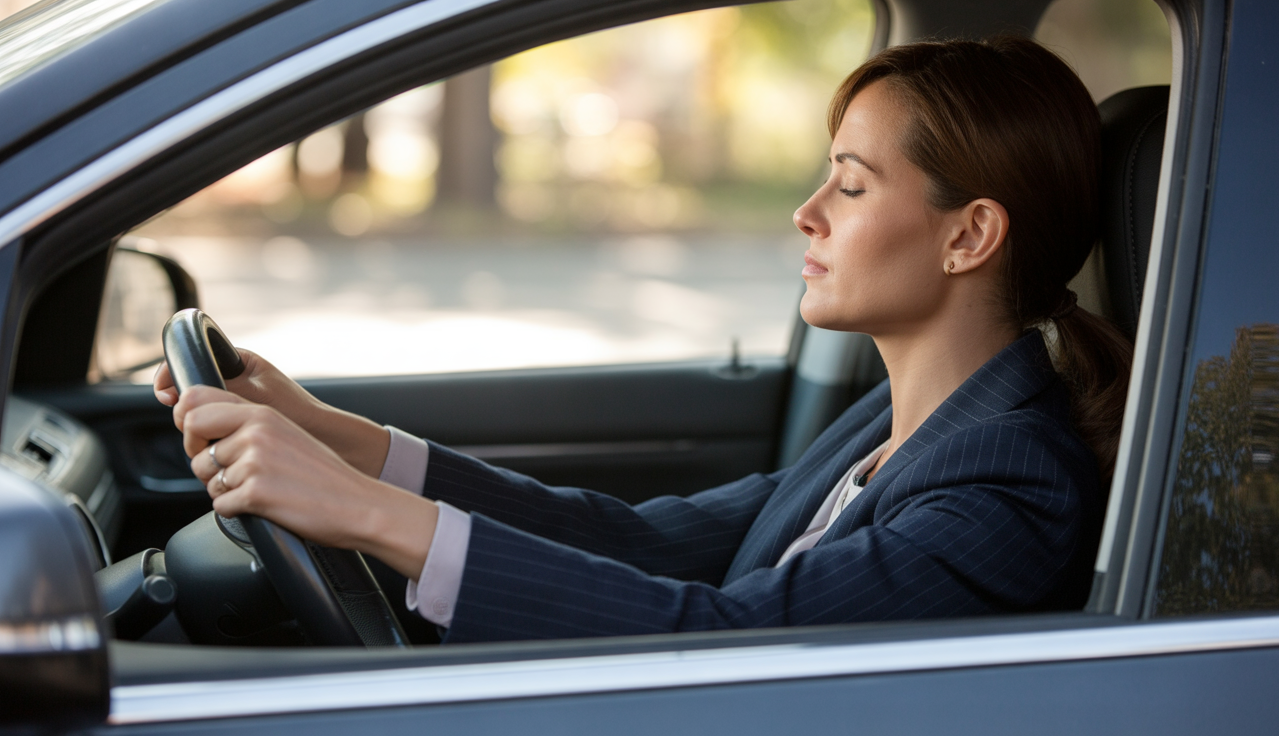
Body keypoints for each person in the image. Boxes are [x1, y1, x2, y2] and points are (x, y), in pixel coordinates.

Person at [155, 37, 1134, 643]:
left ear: (968, 235)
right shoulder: (898, 422)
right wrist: (335, 436)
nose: (805, 212)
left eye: (848, 184)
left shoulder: (1009, 486)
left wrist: (367, 516)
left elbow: (734, 643)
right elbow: (642, 543)